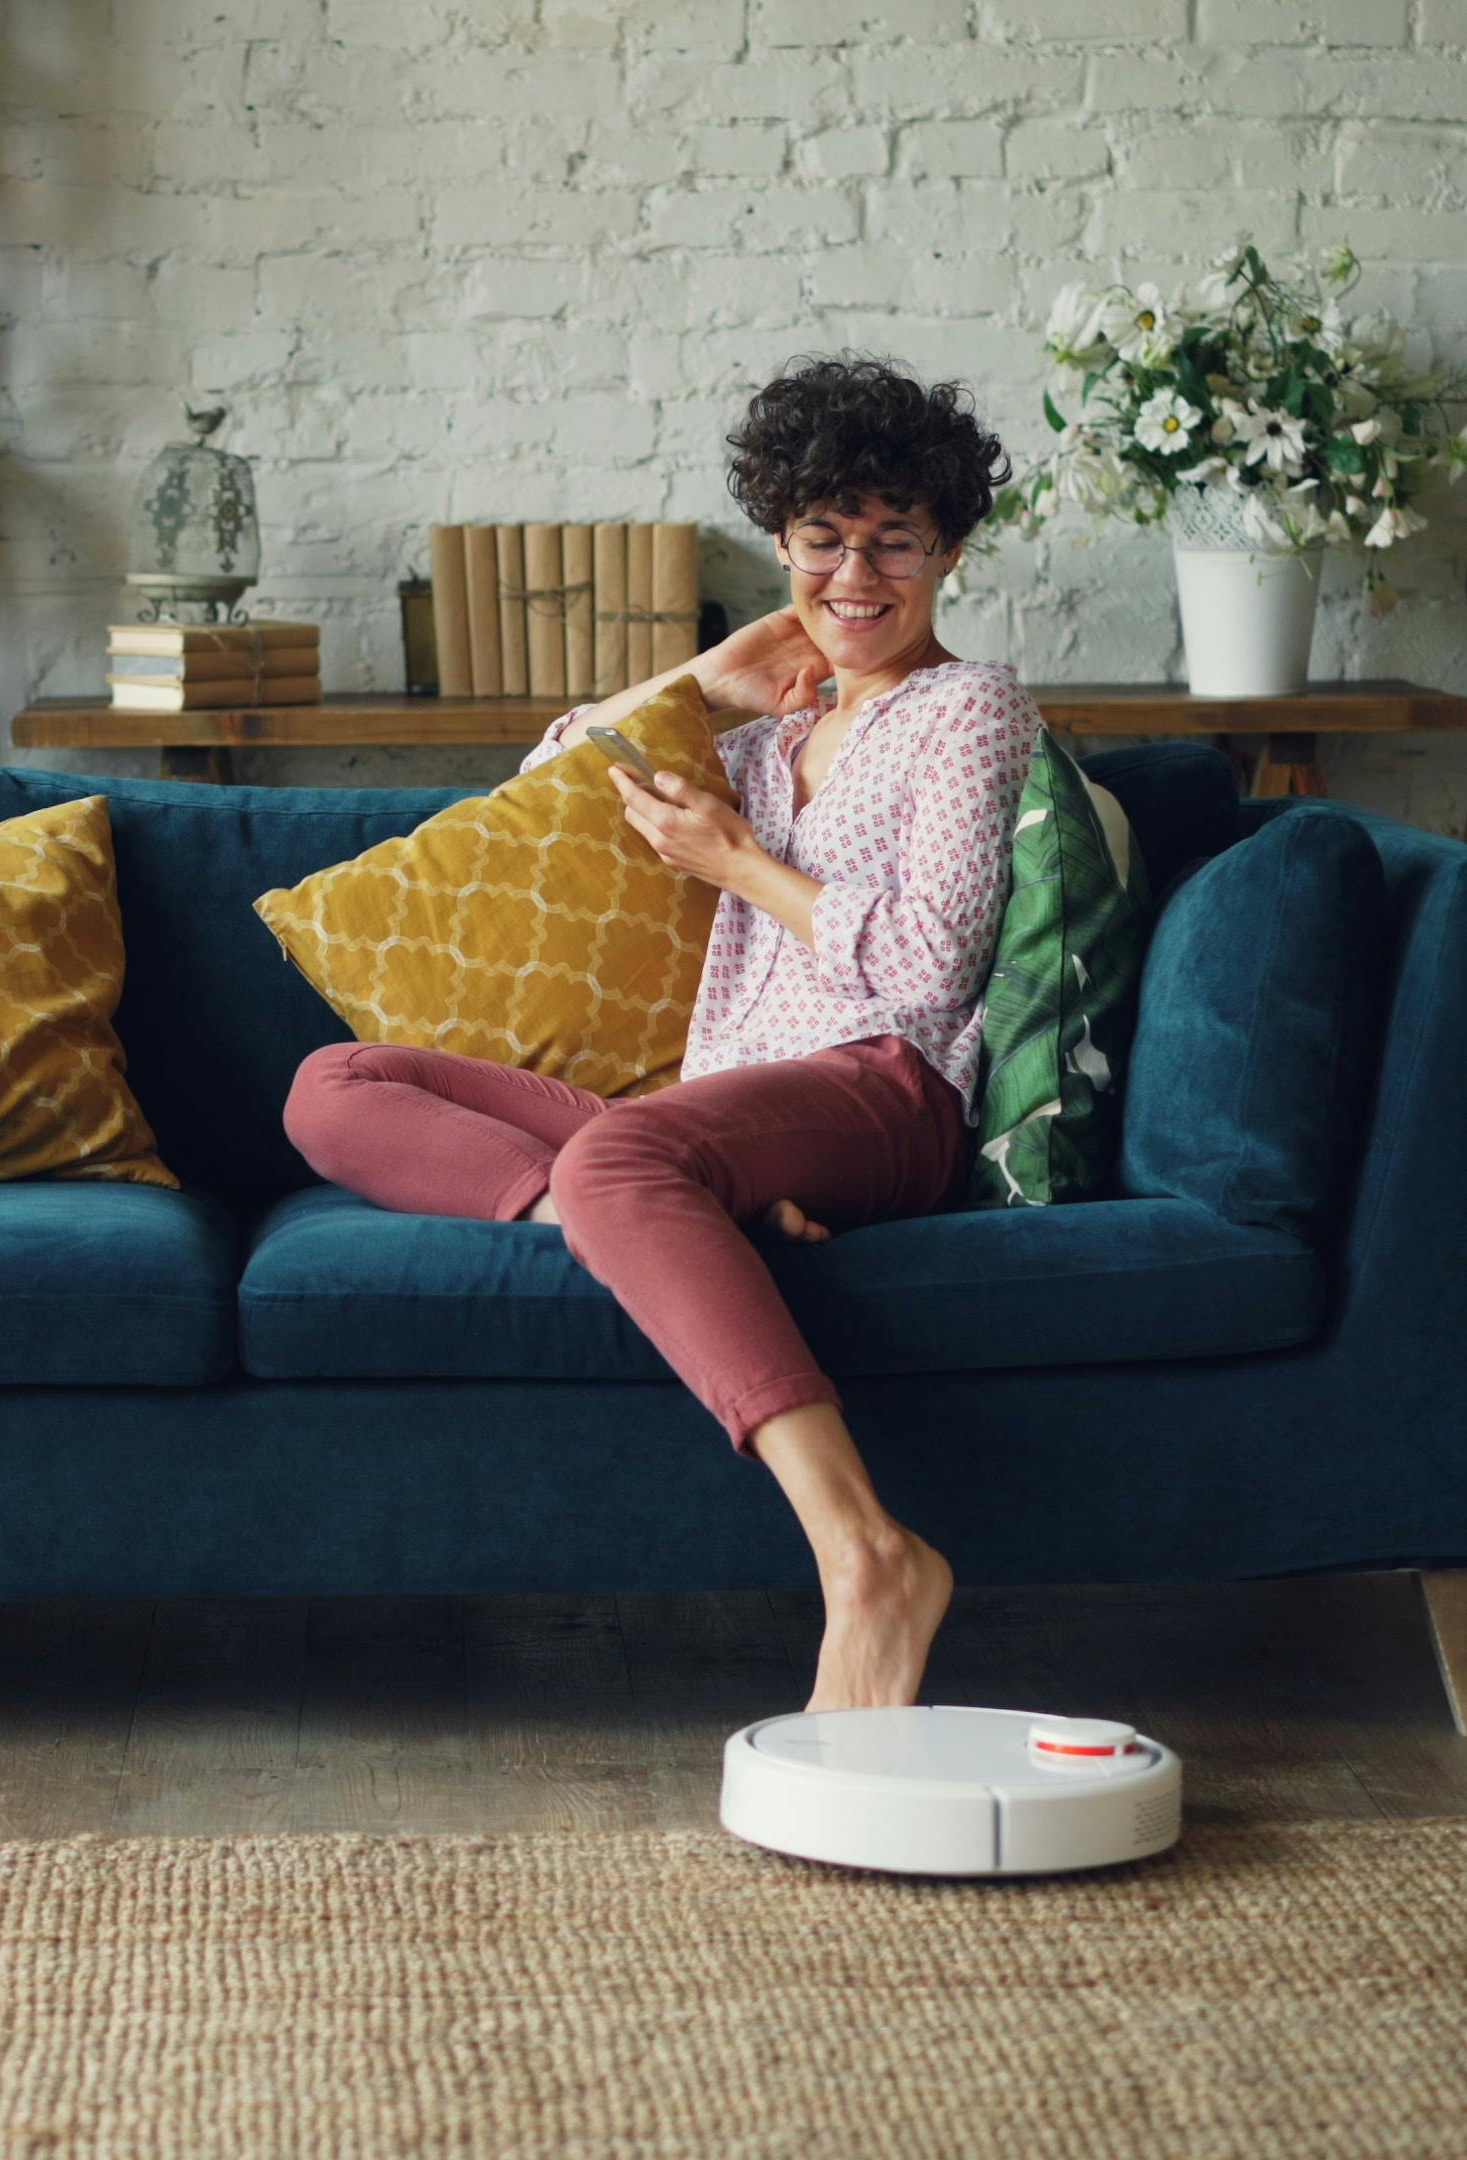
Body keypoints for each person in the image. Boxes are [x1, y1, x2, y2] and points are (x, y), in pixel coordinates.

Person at [281, 354, 1041, 1714]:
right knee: (335, 1087)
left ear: (952, 552)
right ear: (779, 545)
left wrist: (740, 866)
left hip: (880, 1091)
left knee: (619, 1163)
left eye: (894, 543)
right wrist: (711, 676)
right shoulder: (755, 736)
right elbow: (547, 791)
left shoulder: (968, 710)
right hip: (719, 1111)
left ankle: (869, 1556)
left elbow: (932, 971)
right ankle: (671, 1221)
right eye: (822, 541)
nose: (854, 575)